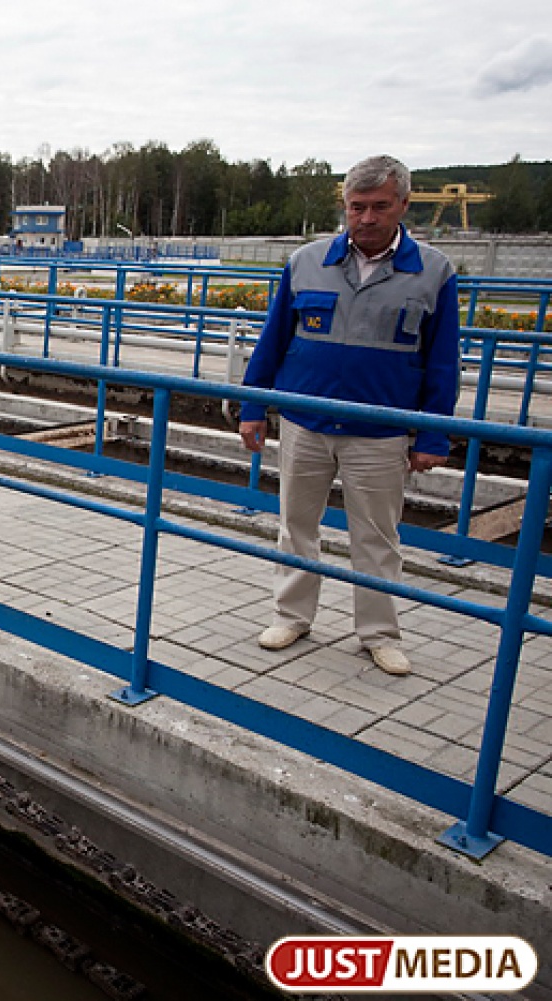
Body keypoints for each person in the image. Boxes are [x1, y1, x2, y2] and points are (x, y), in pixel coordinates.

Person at [237, 154, 461, 676]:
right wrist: (253, 406)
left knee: (377, 537)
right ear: (344, 206)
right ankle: (291, 616)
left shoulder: (433, 272)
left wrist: (433, 435)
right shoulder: (306, 261)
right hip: (305, 421)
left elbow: (443, 361)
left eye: (379, 206)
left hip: (380, 432)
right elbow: (273, 342)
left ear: (403, 205)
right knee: (296, 525)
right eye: (356, 207)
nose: (365, 218)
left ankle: (378, 634)